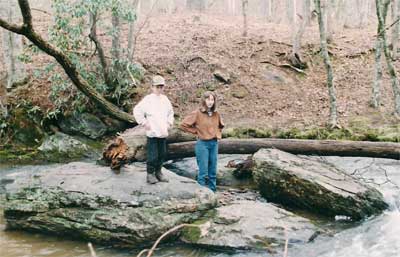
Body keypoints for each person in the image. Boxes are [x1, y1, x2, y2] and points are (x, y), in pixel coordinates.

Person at [180, 91, 224, 192]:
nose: (210, 102)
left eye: (212, 100)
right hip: (202, 144)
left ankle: (212, 191)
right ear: (204, 100)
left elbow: (220, 126)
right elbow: (183, 125)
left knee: (212, 170)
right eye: (208, 99)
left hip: (214, 144)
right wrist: (196, 131)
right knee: (203, 171)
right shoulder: (197, 113)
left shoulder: (216, 113)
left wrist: (217, 134)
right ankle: (201, 193)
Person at [133, 75, 174, 184]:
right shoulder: (148, 100)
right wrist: (143, 122)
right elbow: (137, 111)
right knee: (153, 155)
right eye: (157, 87)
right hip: (152, 133)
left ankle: (159, 172)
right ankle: (150, 174)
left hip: (163, 133)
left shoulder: (165, 99)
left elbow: (170, 113)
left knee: (162, 154)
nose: (159, 89)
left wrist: (169, 123)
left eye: (161, 87)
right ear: (152, 87)